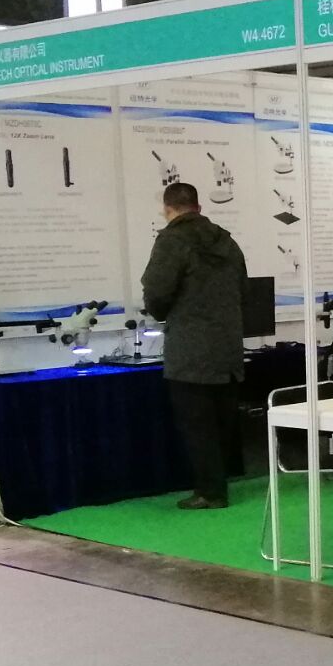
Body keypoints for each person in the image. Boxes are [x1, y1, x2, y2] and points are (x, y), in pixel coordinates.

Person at [142, 182, 248, 510]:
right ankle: (219, 485)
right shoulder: (227, 241)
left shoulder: (171, 241)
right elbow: (243, 289)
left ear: (167, 209)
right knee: (221, 422)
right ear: (199, 207)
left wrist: (163, 312)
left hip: (190, 349)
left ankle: (210, 492)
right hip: (227, 347)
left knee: (196, 425)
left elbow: (156, 292)